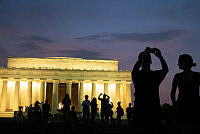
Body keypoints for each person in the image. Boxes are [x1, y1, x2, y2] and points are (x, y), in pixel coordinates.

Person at [132, 47, 168, 133]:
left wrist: (160, 56)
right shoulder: (137, 75)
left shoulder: (155, 75)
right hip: (140, 110)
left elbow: (165, 70)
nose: (146, 58)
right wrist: (144, 55)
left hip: (153, 109)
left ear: (151, 61)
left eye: (148, 57)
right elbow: (135, 70)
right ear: (140, 61)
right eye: (143, 57)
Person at [170, 54, 200, 134]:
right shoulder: (177, 76)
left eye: (179, 61)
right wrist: (175, 103)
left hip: (194, 108)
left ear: (186, 62)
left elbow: (173, 92)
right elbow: (173, 92)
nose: (178, 64)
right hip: (182, 107)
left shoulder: (197, 76)